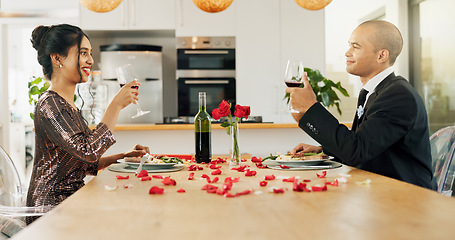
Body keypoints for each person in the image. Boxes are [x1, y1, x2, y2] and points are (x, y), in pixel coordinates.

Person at [286, 20, 436, 190]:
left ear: (381, 56)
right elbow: (366, 144)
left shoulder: (398, 96)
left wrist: (311, 107)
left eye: (355, 47)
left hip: (407, 196)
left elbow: (356, 151)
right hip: (377, 192)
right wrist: (323, 150)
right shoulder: (374, 91)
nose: (347, 53)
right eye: (349, 46)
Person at [27, 24, 150, 223]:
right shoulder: (49, 105)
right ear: (57, 58)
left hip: (71, 203)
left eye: (90, 53)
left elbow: (83, 163)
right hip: (50, 213)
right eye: (83, 53)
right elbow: (88, 152)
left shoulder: (66, 105)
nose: (91, 60)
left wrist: (124, 157)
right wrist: (116, 105)